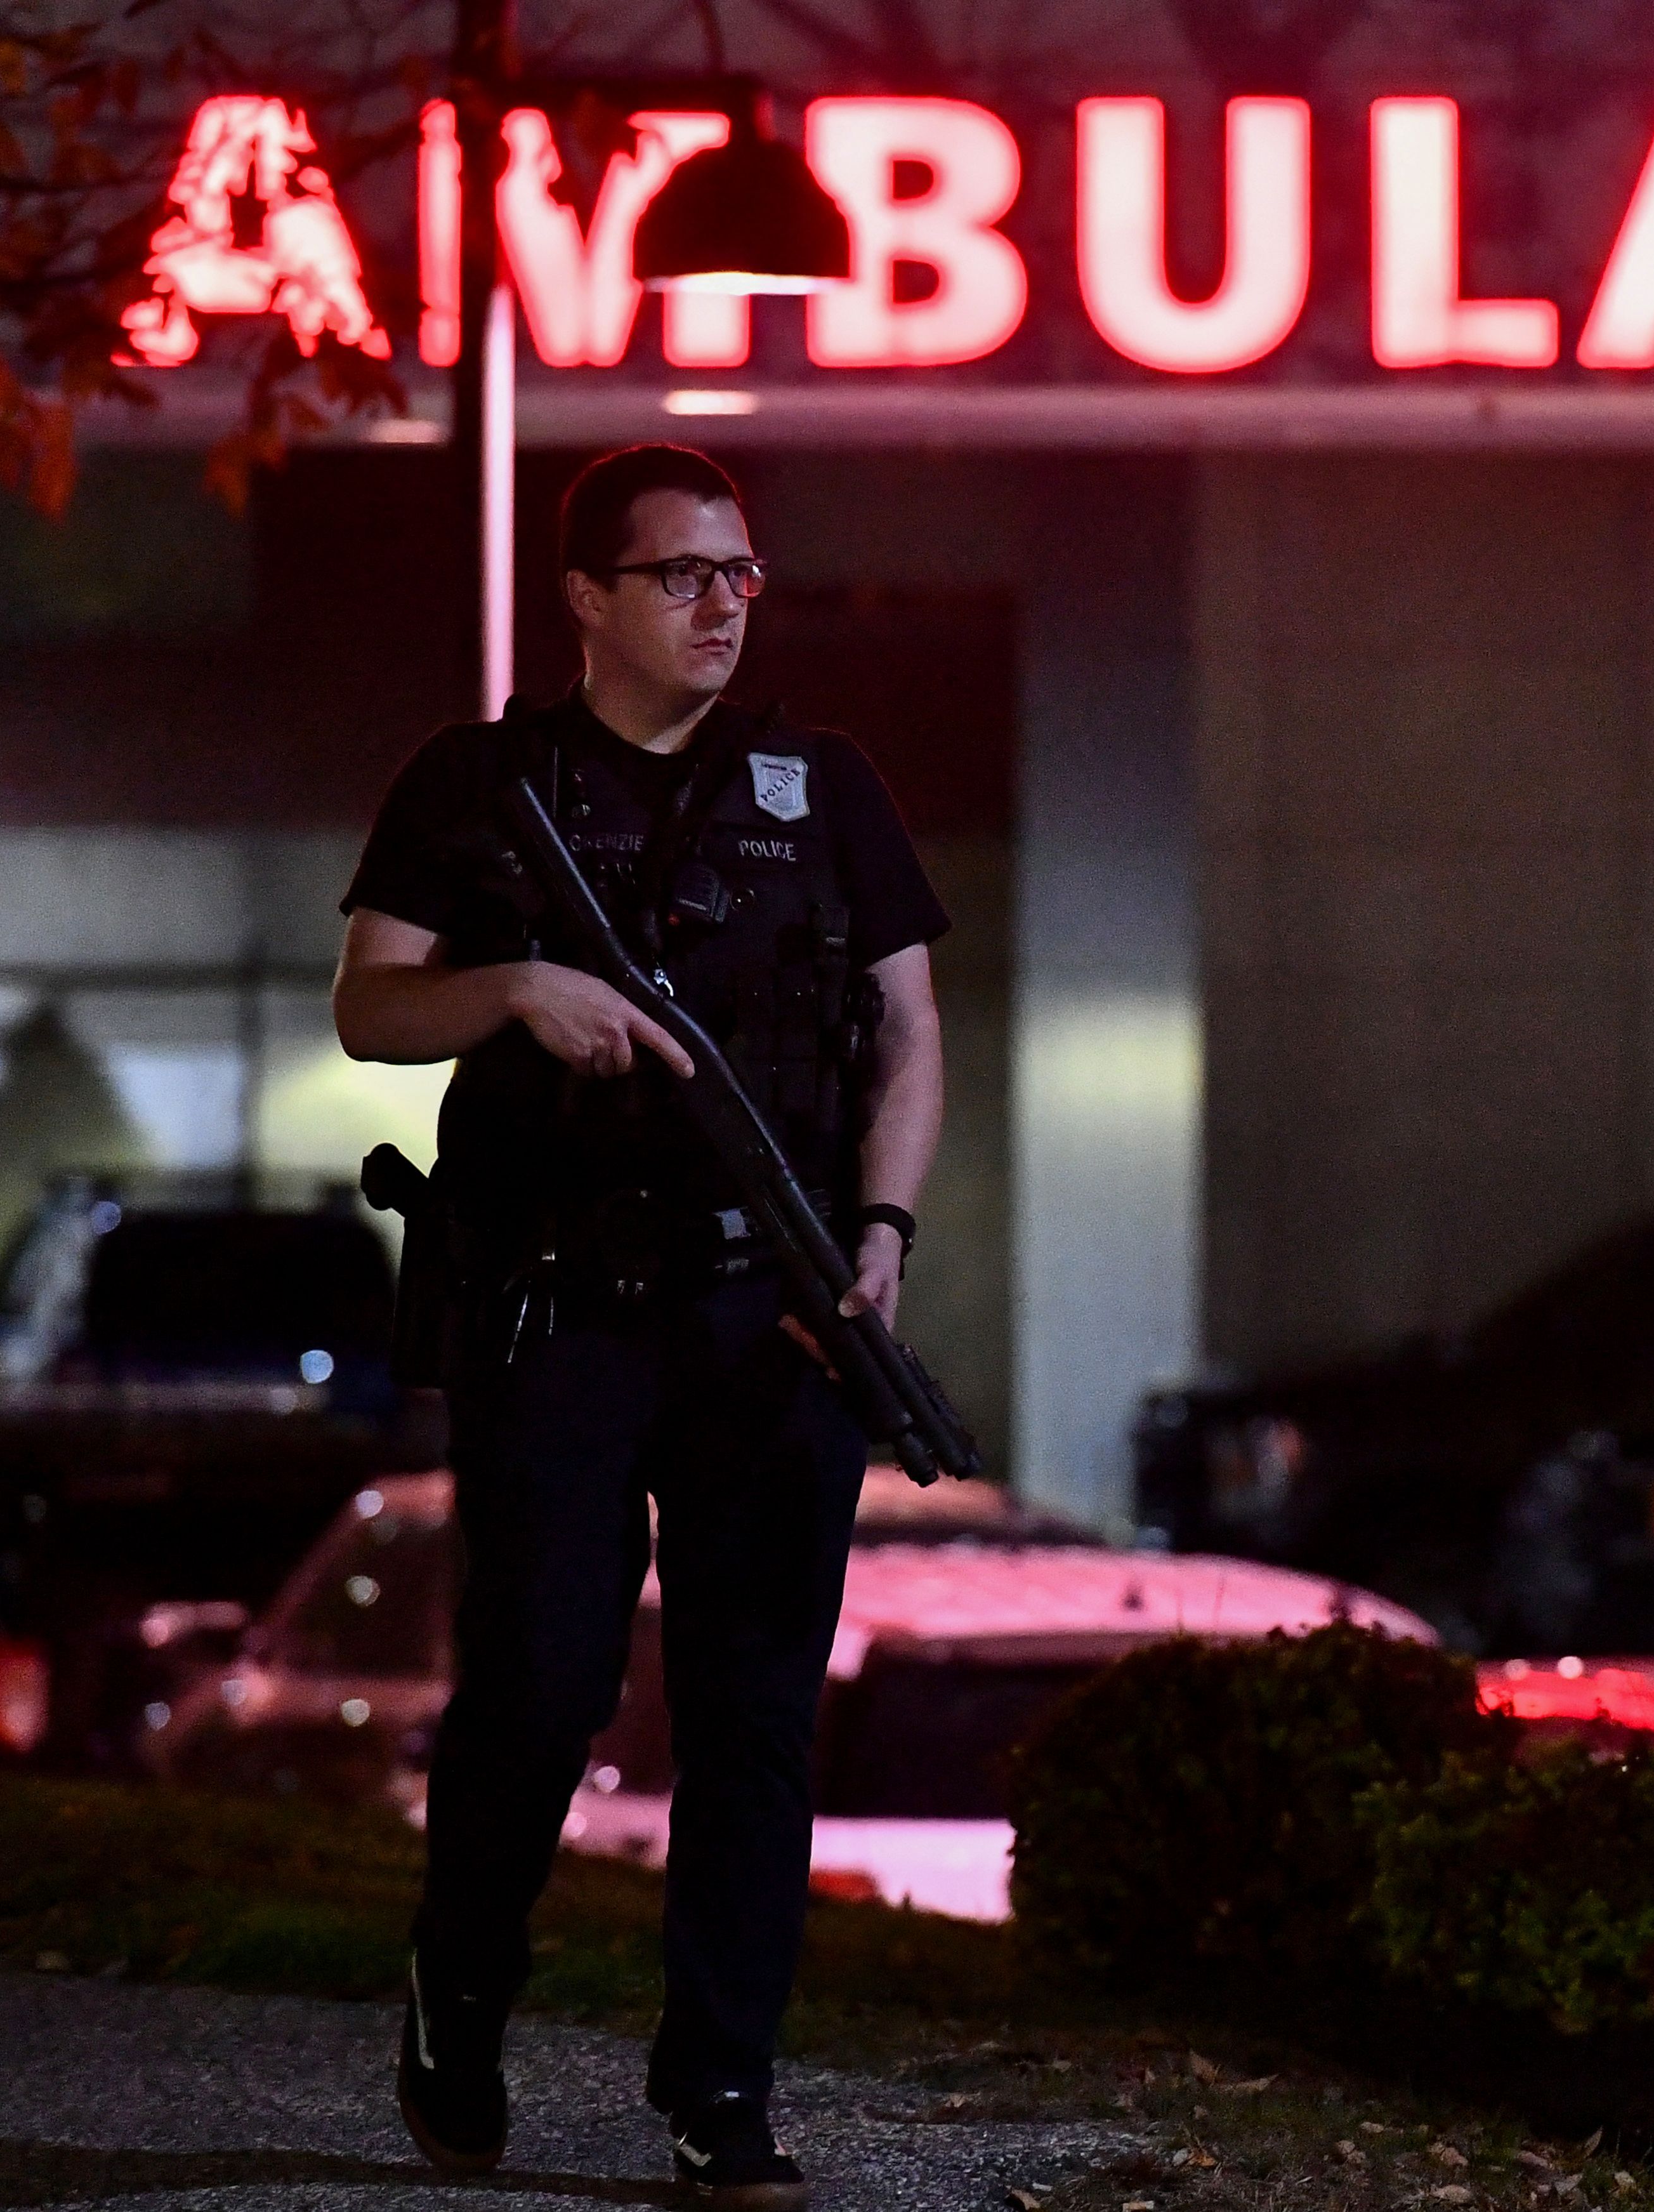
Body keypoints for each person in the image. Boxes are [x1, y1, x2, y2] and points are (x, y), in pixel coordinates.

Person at [331, 444, 948, 2209]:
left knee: (757, 1712)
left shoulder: (823, 788)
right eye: (680, 574)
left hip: (781, 1312)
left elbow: (909, 1034)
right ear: (587, 596)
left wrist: (884, 1231)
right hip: (559, 1309)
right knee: (539, 1687)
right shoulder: (484, 781)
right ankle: (461, 1991)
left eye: (741, 575)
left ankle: (723, 2087)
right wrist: (515, 985)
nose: (719, 606)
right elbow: (372, 1002)